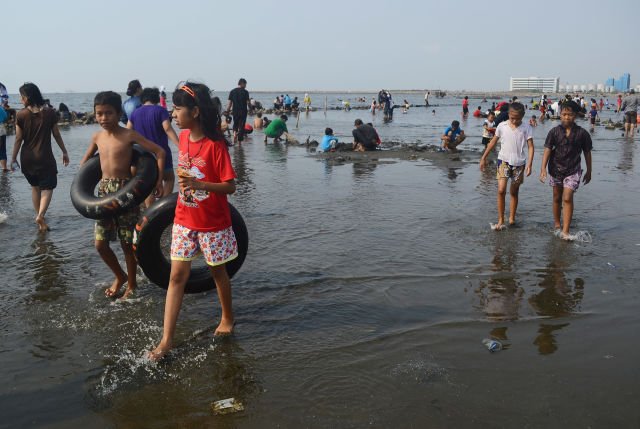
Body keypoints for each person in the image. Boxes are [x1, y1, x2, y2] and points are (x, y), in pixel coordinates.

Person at [148, 82, 238, 360]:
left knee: (217, 273)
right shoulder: (184, 138)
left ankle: (227, 317)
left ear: (195, 111)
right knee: (176, 276)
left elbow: (231, 186)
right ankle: (167, 340)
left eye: (177, 108)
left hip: (212, 223)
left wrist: (201, 184)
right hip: (184, 218)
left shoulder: (215, 146)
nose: (173, 114)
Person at [79, 91, 165, 299]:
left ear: (119, 113)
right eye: (99, 114)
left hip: (126, 193)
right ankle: (120, 275)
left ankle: (132, 285)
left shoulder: (128, 135)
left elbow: (159, 152)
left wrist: (158, 180)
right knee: (100, 244)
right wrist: (81, 183)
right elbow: (85, 163)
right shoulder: (97, 136)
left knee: (127, 245)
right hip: (103, 194)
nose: (103, 118)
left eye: (108, 113)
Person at [10, 83, 69, 232]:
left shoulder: (21, 114)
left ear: (28, 97)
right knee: (47, 188)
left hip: (27, 158)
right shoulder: (49, 113)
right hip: (45, 158)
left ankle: (39, 219)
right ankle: (41, 215)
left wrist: (13, 158)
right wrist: (64, 151)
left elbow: (18, 139)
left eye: (22, 96)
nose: (20, 99)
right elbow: (56, 134)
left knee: (35, 188)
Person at [539, 100, 592, 240]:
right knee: (557, 197)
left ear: (575, 115)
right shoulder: (554, 132)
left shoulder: (582, 133)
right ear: (560, 114)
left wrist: (589, 170)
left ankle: (566, 231)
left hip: (573, 170)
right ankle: (557, 225)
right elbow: (547, 150)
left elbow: (587, 152)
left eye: (570, 114)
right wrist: (543, 169)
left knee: (567, 197)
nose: (566, 117)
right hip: (555, 169)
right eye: (564, 114)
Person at [479, 102, 534, 230]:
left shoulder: (526, 128)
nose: (514, 120)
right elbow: (493, 142)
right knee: (501, 190)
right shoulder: (502, 126)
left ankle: (512, 218)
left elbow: (531, 146)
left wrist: (530, 164)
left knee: (514, 192)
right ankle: (501, 219)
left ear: (523, 116)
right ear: (508, 114)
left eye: (517, 118)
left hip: (519, 164)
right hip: (503, 161)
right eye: (512, 117)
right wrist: (483, 157)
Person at [127, 87, 180, 206]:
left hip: (144, 156)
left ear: (142, 99)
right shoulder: (160, 110)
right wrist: (180, 145)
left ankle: (150, 213)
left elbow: (128, 131)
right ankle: (163, 206)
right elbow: (167, 128)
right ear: (156, 98)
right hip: (162, 153)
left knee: (148, 185)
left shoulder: (135, 113)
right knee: (169, 179)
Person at [225, 78, 251, 144]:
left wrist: (227, 111)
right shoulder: (245, 92)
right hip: (243, 111)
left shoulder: (232, 91)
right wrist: (251, 109)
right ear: (242, 83)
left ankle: (234, 135)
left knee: (235, 123)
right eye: (245, 84)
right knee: (241, 125)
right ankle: (239, 143)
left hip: (235, 111)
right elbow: (248, 102)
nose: (246, 86)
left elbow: (230, 103)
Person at [0, 104, 7, 171]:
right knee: (2, 150)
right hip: (1, 129)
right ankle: (4, 167)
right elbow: (5, 116)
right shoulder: (1, 108)